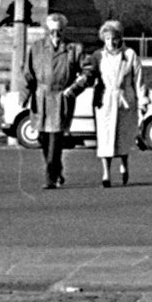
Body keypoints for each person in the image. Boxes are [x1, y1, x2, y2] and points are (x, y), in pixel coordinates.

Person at [22, 12, 89, 189]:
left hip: (61, 97)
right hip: (41, 97)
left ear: (64, 31)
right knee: (43, 137)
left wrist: (73, 89)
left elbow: (87, 71)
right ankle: (57, 169)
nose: (55, 34)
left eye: (59, 31)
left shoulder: (74, 49)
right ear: (46, 30)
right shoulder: (36, 48)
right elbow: (28, 73)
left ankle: (50, 177)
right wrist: (24, 96)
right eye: (51, 31)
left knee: (55, 138)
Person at [89, 20, 147, 188]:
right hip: (105, 99)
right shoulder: (98, 56)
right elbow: (89, 74)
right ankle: (106, 173)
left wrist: (142, 101)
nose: (111, 42)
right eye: (107, 39)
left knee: (123, 135)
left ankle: (124, 165)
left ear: (120, 38)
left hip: (125, 100)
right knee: (105, 136)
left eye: (114, 38)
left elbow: (139, 80)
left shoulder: (129, 55)